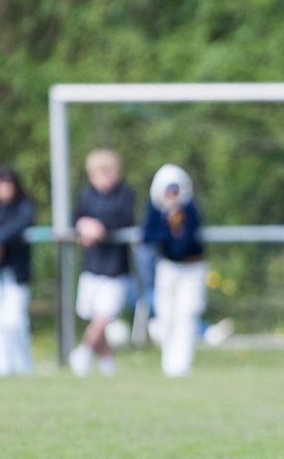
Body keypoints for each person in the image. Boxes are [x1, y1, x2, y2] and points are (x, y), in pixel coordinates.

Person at [68, 149, 136, 377]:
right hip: (92, 266)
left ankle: (83, 352)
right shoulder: (87, 195)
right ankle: (108, 366)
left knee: (102, 318)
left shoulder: (125, 194)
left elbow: (124, 218)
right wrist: (83, 224)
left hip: (115, 269)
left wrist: (100, 226)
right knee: (96, 318)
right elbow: (75, 217)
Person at [143, 163, 207, 377]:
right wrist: (167, 223)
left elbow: (185, 243)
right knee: (166, 315)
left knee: (186, 314)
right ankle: (168, 363)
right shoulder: (156, 211)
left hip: (191, 267)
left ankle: (181, 365)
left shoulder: (189, 210)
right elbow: (148, 237)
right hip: (167, 268)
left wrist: (176, 222)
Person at [0, 166, 36, 377]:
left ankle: (22, 366)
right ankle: (2, 368)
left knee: (14, 321)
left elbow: (21, 224)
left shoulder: (24, 206)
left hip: (17, 273)